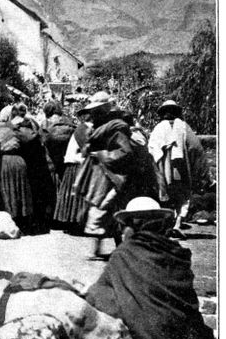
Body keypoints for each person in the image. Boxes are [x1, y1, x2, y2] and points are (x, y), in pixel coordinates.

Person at [84, 197, 216, 339]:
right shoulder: (176, 252)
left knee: (99, 294)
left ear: (133, 225)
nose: (122, 231)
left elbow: (97, 292)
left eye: (125, 225)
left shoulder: (124, 253)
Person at [73, 91, 136, 259]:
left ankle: (112, 248)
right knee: (105, 210)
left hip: (112, 175)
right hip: (99, 176)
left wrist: (102, 155)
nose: (93, 115)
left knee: (104, 208)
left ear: (103, 112)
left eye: (96, 112)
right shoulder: (99, 129)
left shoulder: (116, 128)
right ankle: (109, 248)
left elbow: (125, 152)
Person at [148, 100, 212, 239]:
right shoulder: (183, 127)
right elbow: (195, 148)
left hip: (163, 170)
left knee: (166, 196)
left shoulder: (158, 128)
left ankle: (167, 226)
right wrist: (199, 172)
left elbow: (152, 150)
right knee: (183, 197)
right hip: (181, 168)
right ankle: (177, 224)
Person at [54, 119, 92, 232]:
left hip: (75, 164)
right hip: (77, 164)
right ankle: (75, 223)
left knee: (73, 196)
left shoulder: (84, 128)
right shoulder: (83, 129)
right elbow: (88, 150)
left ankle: (73, 223)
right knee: (77, 195)